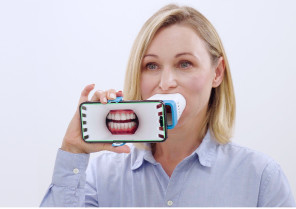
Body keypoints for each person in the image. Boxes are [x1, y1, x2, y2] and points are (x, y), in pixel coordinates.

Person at [40, 4, 295, 207]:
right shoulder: (100, 176)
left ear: (217, 73)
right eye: (152, 66)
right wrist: (72, 150)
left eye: (184, 64)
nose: (166, 82)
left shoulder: (261, 178)